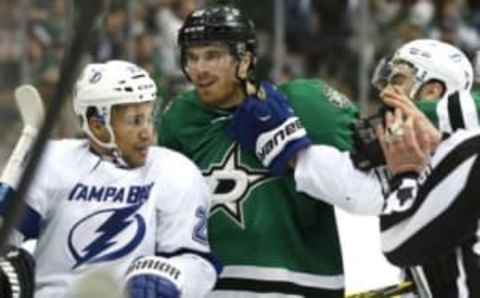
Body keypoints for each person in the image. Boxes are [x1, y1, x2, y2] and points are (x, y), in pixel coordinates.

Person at [228, 39, 479, 296]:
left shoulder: (454, 153)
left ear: (432, 92)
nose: (385, 91)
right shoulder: (454, 145)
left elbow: (366, 193)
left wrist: (289, 149)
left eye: (399, 80)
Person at [156, 4, 365, 298]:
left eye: (212, 55)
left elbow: (369, 179)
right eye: (192, 57)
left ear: (245, 59)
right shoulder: (181, 119)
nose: (199, 68)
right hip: (212, 288)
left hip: (300, 284)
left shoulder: (305, 104)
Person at [0, 60, 221, 298]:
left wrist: (174, 275)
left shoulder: (175, 171)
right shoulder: (53, 161)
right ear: (97, 125)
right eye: (134, 120)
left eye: (149, 116)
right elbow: (9, 233)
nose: (147, 131)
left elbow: (199, 263)